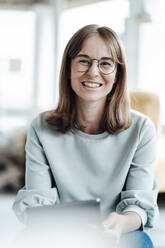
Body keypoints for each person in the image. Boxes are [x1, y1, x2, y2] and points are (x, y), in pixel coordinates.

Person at [13, 24, 159, 247]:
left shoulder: (141, 128)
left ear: (118, 75)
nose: (93, 72)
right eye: (83, 60)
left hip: (119, 233)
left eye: (105, 63)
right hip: (59, 231)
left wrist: (119, 224)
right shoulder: (41, 127)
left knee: (138, 242)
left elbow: (138, 206)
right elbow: (37, 204)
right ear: (68, 69)